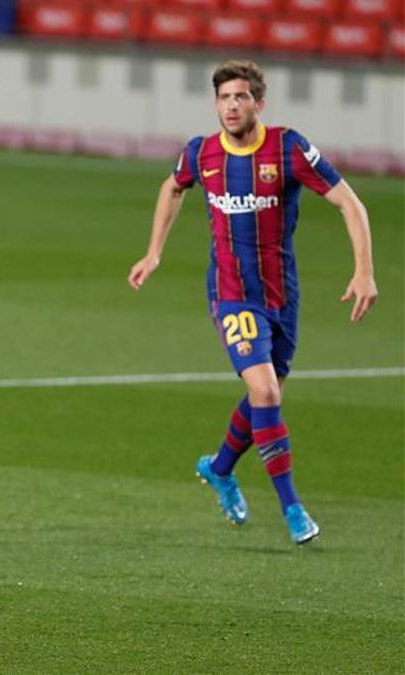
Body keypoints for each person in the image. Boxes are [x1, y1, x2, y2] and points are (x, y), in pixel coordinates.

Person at [128, 60, 378, 545]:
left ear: (258, 103)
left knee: (268, 394)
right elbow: (172, 187)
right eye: (223, 98)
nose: (231, 106)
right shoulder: (200, 153)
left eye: (240, 97)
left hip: (282, 293)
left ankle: (220, 467)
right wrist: (153, 251)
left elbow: (351, 203)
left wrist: (364, 270)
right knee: (265, 392)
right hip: (231, 293)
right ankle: (293, 510)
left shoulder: (287, 148)